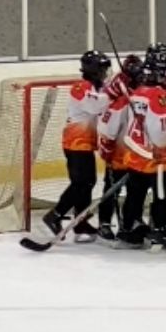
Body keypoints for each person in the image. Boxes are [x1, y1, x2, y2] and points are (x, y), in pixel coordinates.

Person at [42, 50, 111, 242]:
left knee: (88, 183)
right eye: (102, 68)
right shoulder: (80, 87)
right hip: (75, 142)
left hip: (85, 142)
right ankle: (55, 215)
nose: (105, 72)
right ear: (94, 70)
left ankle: (81, 221)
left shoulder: (98, 87)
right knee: (81, 183)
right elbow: (95, 107)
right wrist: (115, 93)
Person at [116, 64, 166, 249]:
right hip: (155, 157)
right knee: (161, 196)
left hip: (135, 154)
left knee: (135, 195)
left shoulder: (136, 93)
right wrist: (164, 144)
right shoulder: (161, 95)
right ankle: (158, 232)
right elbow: (160, 131)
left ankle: (128, 229)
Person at [96, 54, 143, 240]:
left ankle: (131, 222)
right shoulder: (121, 102)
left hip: (137, 156)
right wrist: (107, 150)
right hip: (119, 155)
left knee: (135, 192)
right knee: (112, 189)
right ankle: (104, 222)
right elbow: (108, 130)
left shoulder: (142, 98)